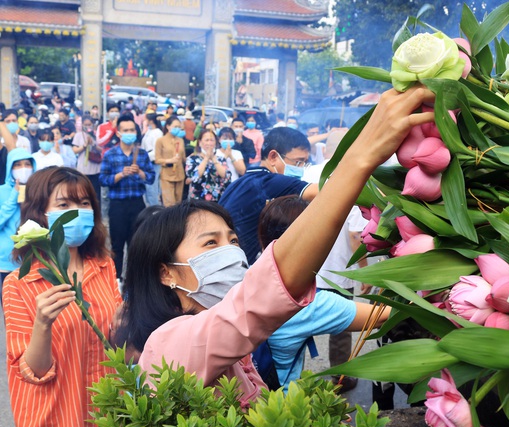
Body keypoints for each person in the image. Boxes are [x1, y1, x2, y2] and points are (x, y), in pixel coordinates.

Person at [112, 86, 432, 409]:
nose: (232, 254)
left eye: (234, 241)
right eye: (211, 243)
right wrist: (363, 154)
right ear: (166, 272)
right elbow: (257, 300)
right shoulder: (167, 346)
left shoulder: (229, 343)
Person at [3, 166, 122, 427]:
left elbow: (117, 337)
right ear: (40, 213)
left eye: (84, 204)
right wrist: (42, 324)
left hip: (108, 412)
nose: (77, 212)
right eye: (64, 204)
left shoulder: (104, 265)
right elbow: (33, 371)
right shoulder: (20, 284)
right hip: (57, 418)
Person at [257, 195, 389, 391]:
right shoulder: (303, 304)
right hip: (280, 405)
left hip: (253, 396)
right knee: (341, 335)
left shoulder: (250, 279)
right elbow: (380, 316)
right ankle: (340, 377)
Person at [302, 129, 371, 391]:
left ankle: (292, 376)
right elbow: (356, 236)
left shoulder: (307, 175)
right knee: (341, 326)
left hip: (303, 269)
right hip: (338, 273)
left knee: (297, 322)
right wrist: (364, 271)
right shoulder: (351, 179)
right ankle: (340, 378)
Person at [219, 127, 317, 263]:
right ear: (273, 157)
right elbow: (321, 192)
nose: (301, 168)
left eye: (305, 163)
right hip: (237, 268)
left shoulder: (244, 181)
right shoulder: (268, 182)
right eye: (298, 162)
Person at [99, 113, 156, 280]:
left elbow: (151, 178)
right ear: (118, 133)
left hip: (137, 203)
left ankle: (135, 280)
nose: (130, 133)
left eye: (132, 129)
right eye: (126, 130)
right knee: (116, 245)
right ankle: (116, 280)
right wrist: (120, 175)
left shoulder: (142, 154)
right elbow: (103, 180)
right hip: (118, 205)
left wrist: (140, 172)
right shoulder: (110, 154)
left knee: (136, 244)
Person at [0, 148, 35, 288]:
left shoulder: (37, 190)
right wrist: (14, 195)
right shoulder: (2, 191)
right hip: (6, 259)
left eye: (27, 164)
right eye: (18, 165)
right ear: (10, 167)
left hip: (33, 258)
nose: (23, 169)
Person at [185, 129, 230, 202]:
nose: (209, 143)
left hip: (217, 198)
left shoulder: (221, 159)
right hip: (198, 199)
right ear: (200, 142)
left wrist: (213, 159)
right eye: (207, 140)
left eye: (212, 140)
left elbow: (226, 176)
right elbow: (193, 176)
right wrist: (206, 158)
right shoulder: (192, 159)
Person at [154, 116, 186, 206]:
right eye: (175, 126)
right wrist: (169, 160)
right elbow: (157, 159)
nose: (177, 129)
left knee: (178, 202)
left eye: (179, 127)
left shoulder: (180, 140)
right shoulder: (160, 141)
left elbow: (183, 158)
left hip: (179, 174)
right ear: (168, 126)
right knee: (169, 203)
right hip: (167, 174)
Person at [72, 116, 103, 202]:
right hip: (83, 170)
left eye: (89, 124)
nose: (87, 126)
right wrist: (84, 146)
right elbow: (74, 150)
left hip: (95, 169)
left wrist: (93, 145)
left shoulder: (97, 134)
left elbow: (102, 150)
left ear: (93, 125)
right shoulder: (78, 135)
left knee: (96, 194)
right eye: (85, 124)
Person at [141, 115, 164, 206]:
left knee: (152, 188)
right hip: (146, 160)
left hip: (153, 161)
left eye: (145, 119)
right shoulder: (149, 131)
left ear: (150, 121)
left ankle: (155, 208)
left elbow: (156, 150)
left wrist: (146, 157)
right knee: (147, 187)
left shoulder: (158, 133)